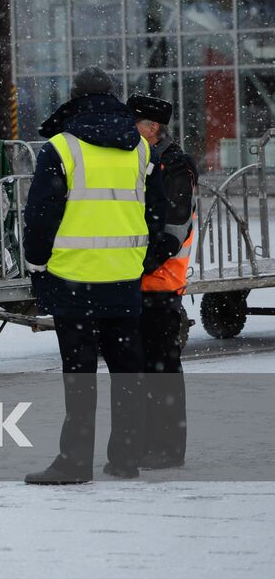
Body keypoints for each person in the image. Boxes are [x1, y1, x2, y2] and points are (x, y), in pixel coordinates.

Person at [22, 66, 168, 485]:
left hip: (73, 281)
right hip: (123, 280)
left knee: (80, 373)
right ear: (114, 96)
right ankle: (125, 458)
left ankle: (75, 462)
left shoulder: (61, 148)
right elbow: (158, 212)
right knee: (127, 370)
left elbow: (40, 216)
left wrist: (36, 264)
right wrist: (143, 259)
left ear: (73, 97)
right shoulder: (141, 149)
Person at [129, 94, 196, 470]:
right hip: (139, 284)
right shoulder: (142, 160)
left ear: (152, 128)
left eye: (134, 123)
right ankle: (146, 444)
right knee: (144, 371)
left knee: (163, 371)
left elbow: (173, 231)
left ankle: (168, 448)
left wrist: (138, 265)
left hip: (161, 285)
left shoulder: (174, 164)